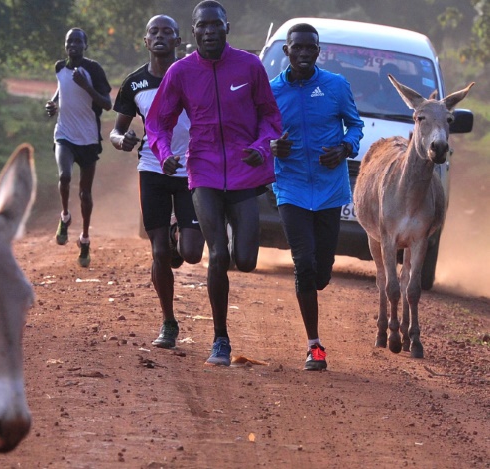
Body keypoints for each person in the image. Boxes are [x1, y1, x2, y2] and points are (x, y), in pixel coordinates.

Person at [145, 1, 282, 366]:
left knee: (246, 260)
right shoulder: (181, 72)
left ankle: (231, 242)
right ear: (193, 32)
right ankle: (220, 338)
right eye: (202, 26)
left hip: (244, 172)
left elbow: (270, 116)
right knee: (217, 255)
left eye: (215, 25)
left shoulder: (250, 66)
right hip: (202, 170)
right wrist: (163, 154)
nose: (209, 31)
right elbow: (158, 121)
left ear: (227, 27)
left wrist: (259, 146)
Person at [269, 23, 364, 370]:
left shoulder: (336, 86)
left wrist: (344, 148)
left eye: (311, 48)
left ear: (318, 51)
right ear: (287, 51)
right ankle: (314, 346)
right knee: (303, 264)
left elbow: (355, 125)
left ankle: (319, 273)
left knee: (320, 273)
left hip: (329, 190)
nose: (304, 54)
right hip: (290, 186)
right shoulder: (271, 91)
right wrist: (271, 146)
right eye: (298, 48)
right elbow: (255, 133)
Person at [110, 15, 205, 349]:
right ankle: (168, 322)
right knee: (160, 251)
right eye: (154, 32)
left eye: (168, 32)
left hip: (193, 171)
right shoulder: (134, 83)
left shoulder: (195, 75)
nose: (160, 36)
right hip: (152, 170)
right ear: (146, 41)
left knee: (191, 254)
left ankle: (179, 228)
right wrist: (120, 140)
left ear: (178, 41)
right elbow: (116, 129)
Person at [45, 28, 112, 267]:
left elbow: (107, 104)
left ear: (85, 45)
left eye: (77, 41)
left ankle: (84, 240)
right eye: (69, 41)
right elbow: (61, 87)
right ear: (65, 46)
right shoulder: (59, 67)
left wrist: (86, 86)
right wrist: (53, 103)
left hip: (88, 139)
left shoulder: (93, 70)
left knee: (85, 193)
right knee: (64, 176)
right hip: (64, 134)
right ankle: (65, 216)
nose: (73, 44)